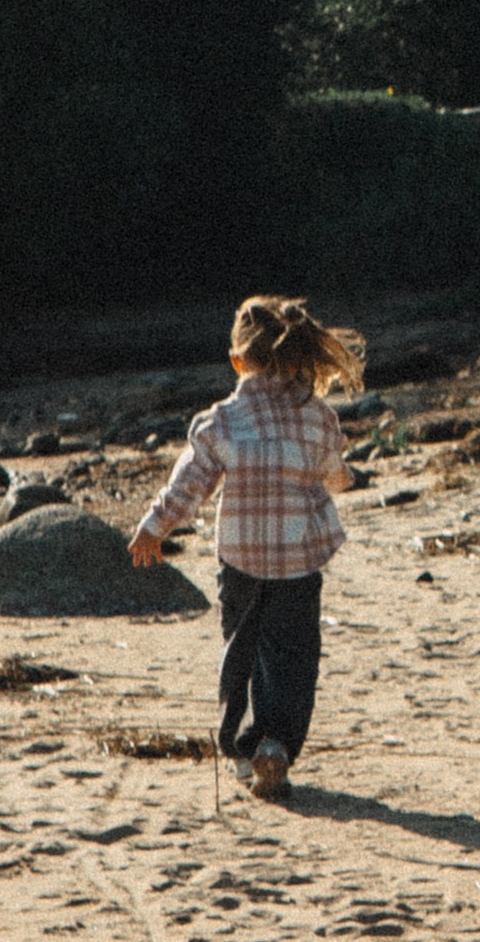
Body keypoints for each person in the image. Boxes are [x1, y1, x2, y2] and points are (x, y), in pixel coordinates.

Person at [132, 295, 364, 801]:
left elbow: (189, 484)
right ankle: (276, 743)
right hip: (299, 560)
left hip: (239, 560)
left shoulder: (220, 422)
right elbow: (333, 470)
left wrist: (155, 526)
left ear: (238, 361)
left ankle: (241, 749)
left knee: (242, 650)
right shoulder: (318, 417)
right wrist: (345, 480)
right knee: (292, 655)